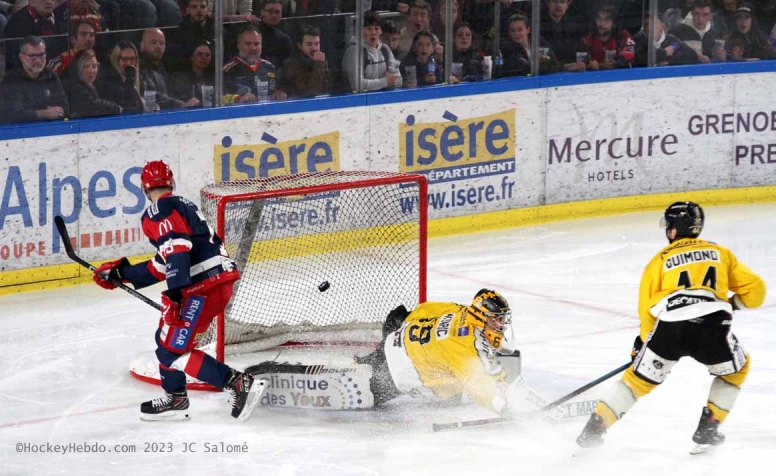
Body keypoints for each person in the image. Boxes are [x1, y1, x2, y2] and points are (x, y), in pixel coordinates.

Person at [576, 202, 766, 452]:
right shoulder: (721, 253)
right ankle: (709, 426)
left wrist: (644, 343)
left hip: (670, 327)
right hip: (713, 326)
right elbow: (757, 292)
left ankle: (594, 429)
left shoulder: (660, 260)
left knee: (635, 382)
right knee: (735, 371)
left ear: (674, 229)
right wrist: (728, 302)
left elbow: (646, 308)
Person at [91, 160, 263, 421]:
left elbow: (176, 248)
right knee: (168, 342)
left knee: (171, 352)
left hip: (201, 288)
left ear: (144, 189)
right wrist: (121, 274)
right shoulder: (183, 205)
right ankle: (176, 397)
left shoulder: (158, 209)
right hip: (216, 283)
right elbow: (163, 263)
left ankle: (237, 383)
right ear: (170, 183)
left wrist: (176, 293)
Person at [246, 289, 559, 418]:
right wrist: (506, 409)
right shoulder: (461, 345)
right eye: (496, 318)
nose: (501, 323)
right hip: (394, 374)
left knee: (453, 383)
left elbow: (419, 310)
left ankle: (367, 365)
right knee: (348, 387)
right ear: (479, 316)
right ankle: (260, 374)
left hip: (396, 336)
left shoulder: (457, 309)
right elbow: (480, 387)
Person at [0, 35, 68, 124]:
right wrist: (44, 113)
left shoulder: (51, 76)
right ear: (21, 57)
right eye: (32, 56)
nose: (38, 60)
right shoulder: (11, 80)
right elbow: (13, 115)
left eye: (41, 55)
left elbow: (64, 107)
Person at [222, 24, 287, 104]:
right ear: (238, 45)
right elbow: (217, 98)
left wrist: (279, 94)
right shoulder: (227, 70)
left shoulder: (269, 67)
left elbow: (280, 89)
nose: (253, 48)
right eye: (248, 44)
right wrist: (238, 99)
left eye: (256, 44)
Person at [139, 27, 200, 109]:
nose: (158, 46)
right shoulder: (139, 68)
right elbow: (152, 96)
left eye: (161, 43)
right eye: (153, 42)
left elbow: (169, 93)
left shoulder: (160, 67)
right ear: (142, 45)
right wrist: (180, 104)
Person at [342, 10, 402, 92]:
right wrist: (385, 81)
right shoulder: (353, 51)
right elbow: (356, 85)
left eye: (376, 29)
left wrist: (390, 81)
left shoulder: (385, 49)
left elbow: (399, 80)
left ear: (381, 31)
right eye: (369, 29)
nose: (373, 32)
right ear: (360, 30)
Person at [66, 48, 122, 117]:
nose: (91, 70)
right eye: (86, 66)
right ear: (78, 69)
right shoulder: (73, 87)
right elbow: (90, 105)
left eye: (94, 66)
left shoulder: (97, 85)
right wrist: (115, 108)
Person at [280, 24, 329, 98]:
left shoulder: (321, 60)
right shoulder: (291, 65)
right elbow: (308, 92)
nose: (314, 48)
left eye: (317, 44)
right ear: (300, 45)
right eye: (309, 44)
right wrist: (319, 65)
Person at [96, 39, 145, 113]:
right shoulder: (108, 80)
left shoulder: (139, 77)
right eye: (124, 59)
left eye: (132, 59)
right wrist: (129, 82)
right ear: (116, 60)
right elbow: (127, 106)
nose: (129, 63)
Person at [169, 40, 215, 105]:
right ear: (192, 57)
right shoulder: (177, 78)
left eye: (207, 55)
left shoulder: (215, 79)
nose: (204, 57)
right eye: (200, 54)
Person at [258, 0, 291, 68]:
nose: (274, 15)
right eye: (270, 11)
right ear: (262, 12)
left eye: (277, 12)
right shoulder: (253, 35)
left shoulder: (284, 39)